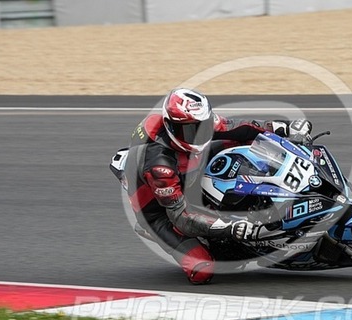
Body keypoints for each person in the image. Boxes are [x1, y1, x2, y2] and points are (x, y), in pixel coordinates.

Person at [111, 88, 312, 284]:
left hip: (188, 167)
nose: (199, 134)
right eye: (191, 131)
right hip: (162, 212)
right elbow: (180, 218)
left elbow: (239, 127)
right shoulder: (159, 165)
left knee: (242, 144)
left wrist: (285, 128)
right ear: (171, 127)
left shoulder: (199, 123)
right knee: (202, 270)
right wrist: (230, 228)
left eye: (203, 126)